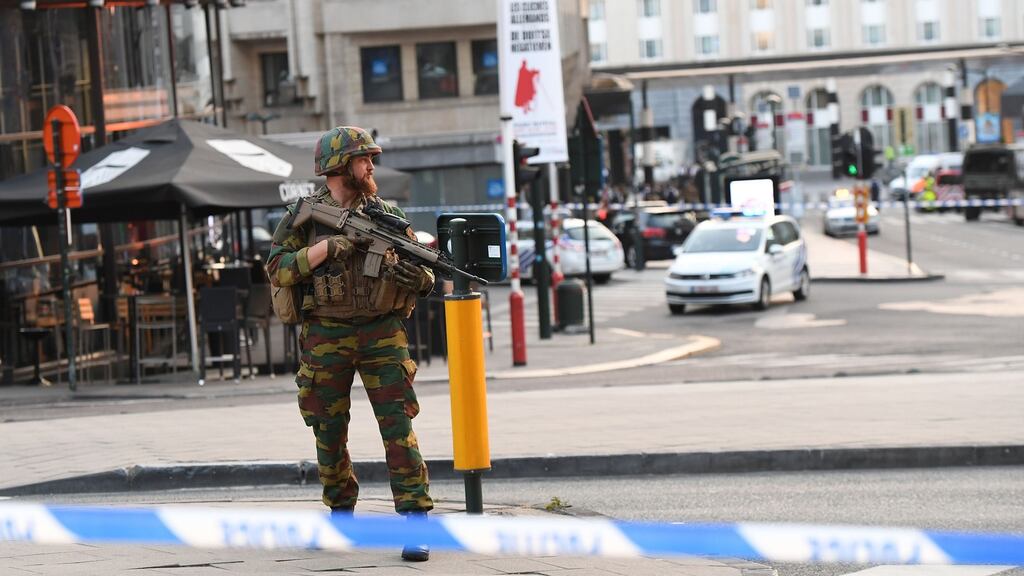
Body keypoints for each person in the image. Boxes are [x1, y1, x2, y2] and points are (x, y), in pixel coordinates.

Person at [266, 126, 435, 562]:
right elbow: (278, 269)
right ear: (340, 166)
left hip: (382, 333)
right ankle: (340, 515)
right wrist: (326, 250)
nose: (371, 166)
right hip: (325, 333)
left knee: (398, 427)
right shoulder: (303, 216)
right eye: (364, 159)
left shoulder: (387, 214)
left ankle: (415, 521)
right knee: (327, 428)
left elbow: (426, 272)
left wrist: (420, 279)